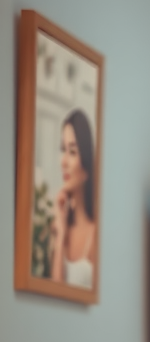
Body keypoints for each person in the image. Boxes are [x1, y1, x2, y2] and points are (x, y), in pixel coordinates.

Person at [50, 109, 97, 289]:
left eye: (72, 151)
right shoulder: (60, 227)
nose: (63, 161)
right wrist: (61, 233)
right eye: (63, 149)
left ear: (86, 165)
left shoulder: (96, 233)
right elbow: (56, 291)